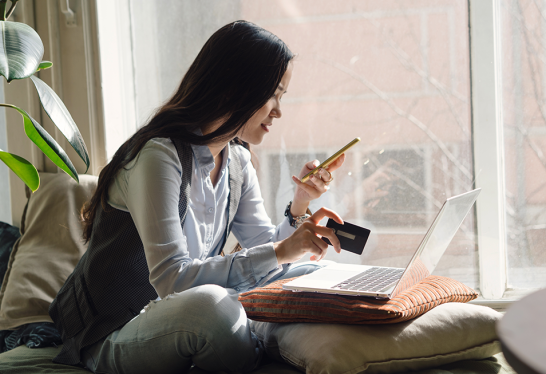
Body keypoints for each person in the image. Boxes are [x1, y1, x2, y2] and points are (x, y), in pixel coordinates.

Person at [49, 20, 345, 373]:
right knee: (212, 308)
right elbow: (172, 280)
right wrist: (281, 251)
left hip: (182, 316)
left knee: (320, 272)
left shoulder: (236, 161)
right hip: (115, 330)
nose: (278, 111)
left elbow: (265, 249)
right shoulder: (158, 156)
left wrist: (299, 205)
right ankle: (263, 337)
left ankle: (263, 334)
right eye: (273, 94)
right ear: (233, 88)